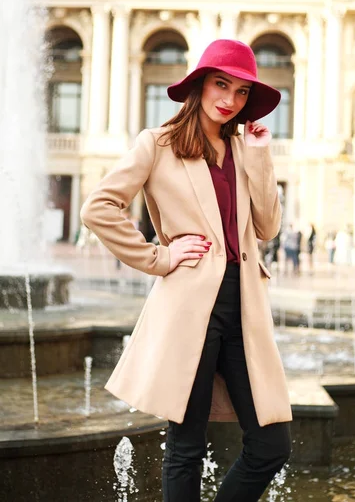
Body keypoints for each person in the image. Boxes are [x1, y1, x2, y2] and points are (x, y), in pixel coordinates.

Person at [80, 39, 292, 502]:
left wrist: (259, 157)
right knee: (186, 447)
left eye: (240, 92)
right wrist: (158, 258)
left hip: (244, 309)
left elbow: (268, 226)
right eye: (222, 84)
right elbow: (99, 207)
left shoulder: (242, 148)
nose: (230, 100)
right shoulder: (156, 144)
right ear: (199, 85)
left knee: (271, 444)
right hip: (189, 308)